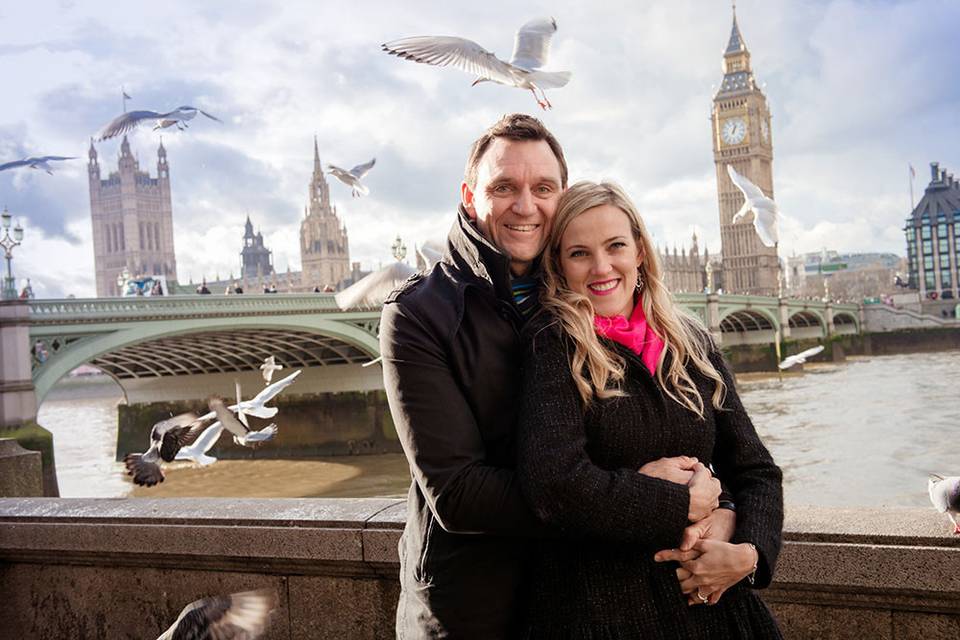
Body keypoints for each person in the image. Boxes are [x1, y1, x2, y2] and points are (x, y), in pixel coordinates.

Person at [381, 116, 733, 638]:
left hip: (583, 596)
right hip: (476, 609)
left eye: (542, 188)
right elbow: (459, 493)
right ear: (470, 195)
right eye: (503, 187)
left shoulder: (585, 296)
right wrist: (649, 495)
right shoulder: (419, 313)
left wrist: (726, 515)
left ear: (561, 195)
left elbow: (705, 441)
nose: (525, 206)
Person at [516, 181, 783, 638]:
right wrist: (683, 503)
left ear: (640, 250)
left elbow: (756, 469)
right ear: (559, 265)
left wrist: (749, 552)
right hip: (607, 612)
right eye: (579, 253)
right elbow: (555, 486)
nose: (602, 267)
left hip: (718, 611)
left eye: (615, 245)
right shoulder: (552, 346)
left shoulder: (693, 343)